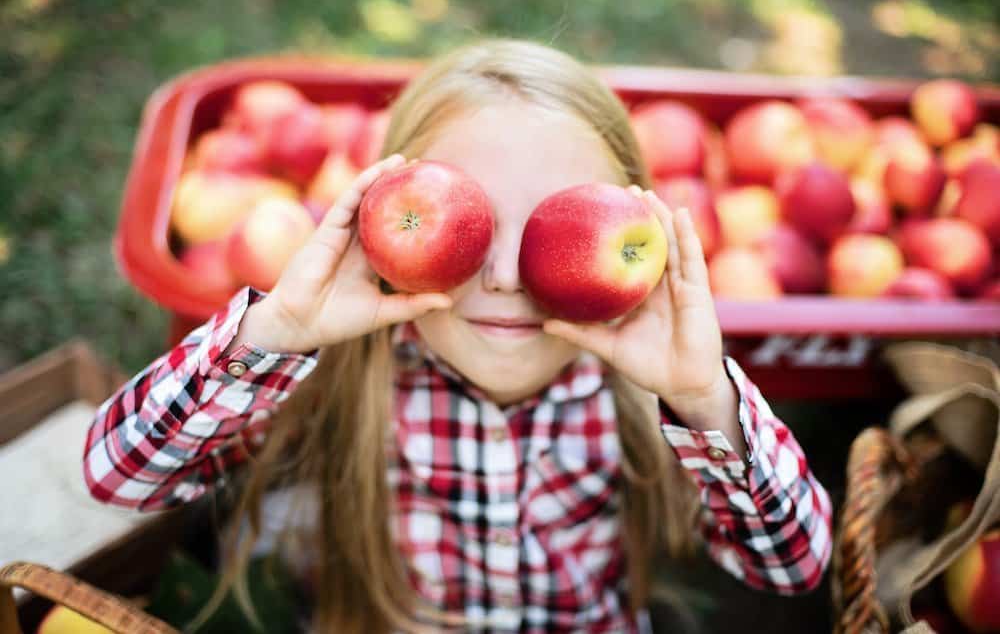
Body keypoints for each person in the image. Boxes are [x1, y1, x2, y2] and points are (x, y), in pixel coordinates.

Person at [83, 38, 833, 634]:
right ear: (385, 220)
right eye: (469, 228)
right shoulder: (339, 378)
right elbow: (118, 476)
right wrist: (277, 331)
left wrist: (705, 400)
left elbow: (794, 566)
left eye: (550, 231)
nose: (506, 275)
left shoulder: (643, 400)